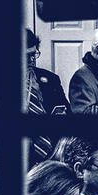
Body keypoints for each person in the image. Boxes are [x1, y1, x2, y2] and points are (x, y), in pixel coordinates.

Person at [25, 29, 69, 168]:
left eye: (34, 54)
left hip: (53, 157)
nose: (31, 60)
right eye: (26, 56)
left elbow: (66, 115)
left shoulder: (50, 79)